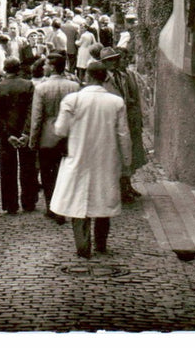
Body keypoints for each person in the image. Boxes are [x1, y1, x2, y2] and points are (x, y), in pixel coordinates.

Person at [50, 62, 131, 258]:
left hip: (79, 156)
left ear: (87, 77)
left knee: (79, 201)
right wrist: (127, 161)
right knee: (104, 200)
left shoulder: (73, 100)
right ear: (105, 78)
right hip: (106, 157)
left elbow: (60, 130)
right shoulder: (116, 102)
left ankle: (82, 246)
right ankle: (101, 244)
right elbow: (123, 134)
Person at [29, 52, 79, 223]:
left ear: (51, 67)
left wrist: (33, 141)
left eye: (45, 65)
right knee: (65, 171)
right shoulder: (74, 86)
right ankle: (65, 204)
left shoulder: (41, 88)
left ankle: (52, 206)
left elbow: (36, 118)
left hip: (47, 137)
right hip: (69, 135)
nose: (43, 67)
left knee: (47, 173)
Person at [0, 57, 39, 215]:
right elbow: (32, 111)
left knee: (7, 169)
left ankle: (11, 204)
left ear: (5, 70)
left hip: (7, 135)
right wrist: (26, 132)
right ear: (19, 69)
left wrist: (7, 135)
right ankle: (29, 201)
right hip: (24, 133)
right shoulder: (28, 85)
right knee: (28, 167)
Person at [101, 47, 146, 203]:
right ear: (105, 63)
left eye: (115, 59)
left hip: (125, 120)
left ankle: (127, 185)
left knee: (128, 154)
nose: (114, 62)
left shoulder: (123, 76)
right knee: (115, 156)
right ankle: (119, 189)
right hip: (112, 122)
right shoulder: (104, 79)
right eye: (110, 60)